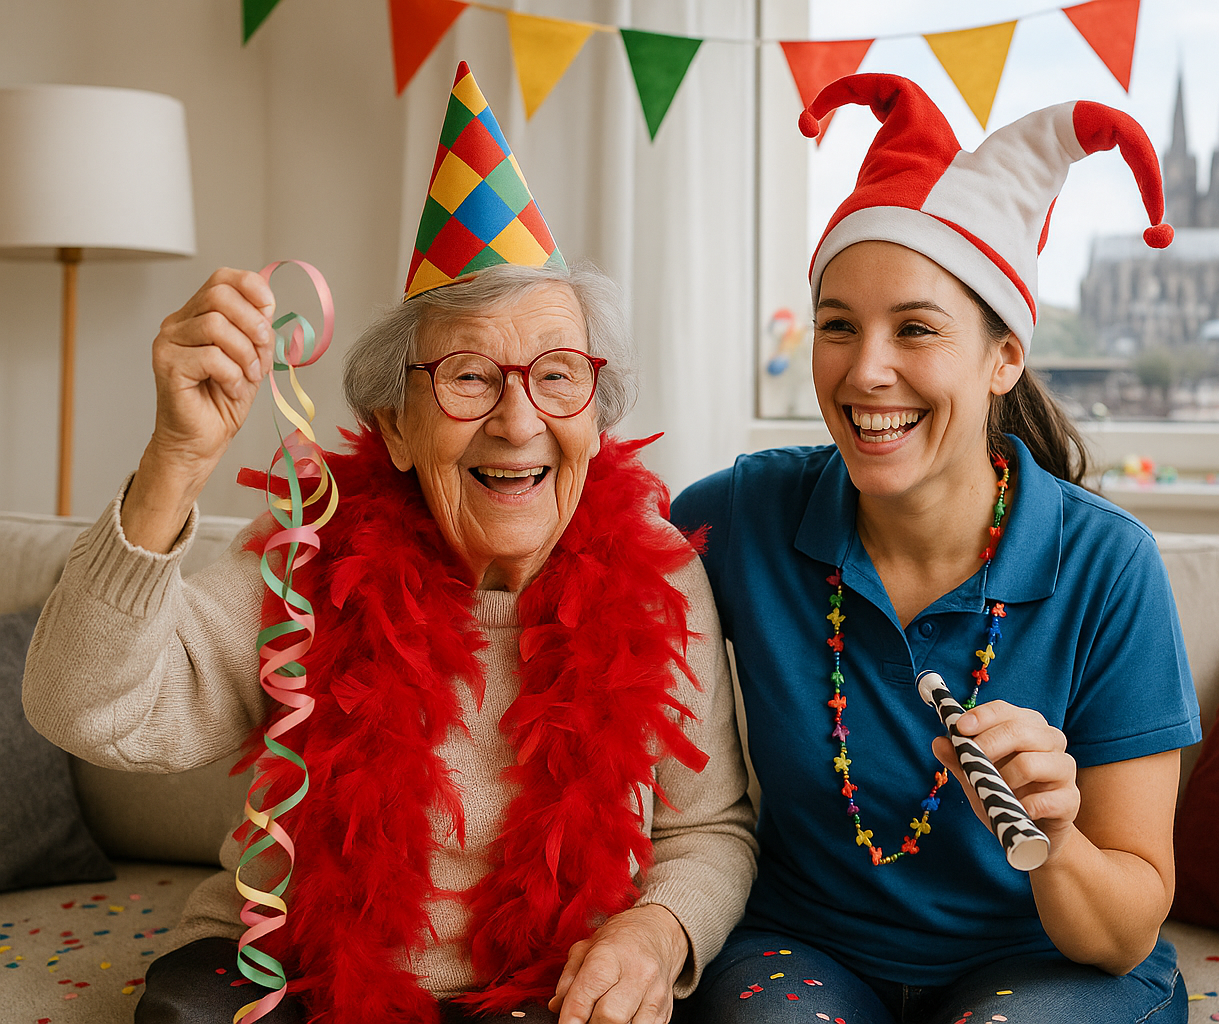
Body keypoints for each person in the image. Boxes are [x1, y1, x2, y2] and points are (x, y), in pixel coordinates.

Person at [22, 63, 755, 1024]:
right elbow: (81, 706)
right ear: (396, 428)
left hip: (547, 990)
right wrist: (174, 460)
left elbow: (713, 830)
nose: (517, 420)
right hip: (293, 975)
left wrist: (656, 931)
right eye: (466, 376)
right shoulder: (304, 566)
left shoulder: (661, 574)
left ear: (597, 414)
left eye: (558, 375)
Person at [669, 74, 1202, 1024]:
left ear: (1004, 358)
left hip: (1050, 961)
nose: (865, 370)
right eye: (839, 326)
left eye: (916, 328)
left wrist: (1058, 832)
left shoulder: (1109, 568)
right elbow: (570, 561)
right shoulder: (742, 516)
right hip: (807, 946)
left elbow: (1121, 933)